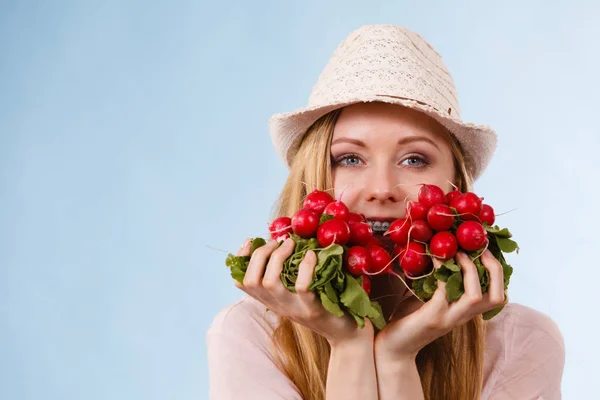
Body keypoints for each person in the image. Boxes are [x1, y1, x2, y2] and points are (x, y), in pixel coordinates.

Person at [206, 24, 565, 400]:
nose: (381, 189)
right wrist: (349, 347)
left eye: (414, 159)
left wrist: (396, 359)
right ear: (312, 176)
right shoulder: (250, 335)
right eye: (350, 158)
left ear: (455, 186)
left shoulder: (522, 341)